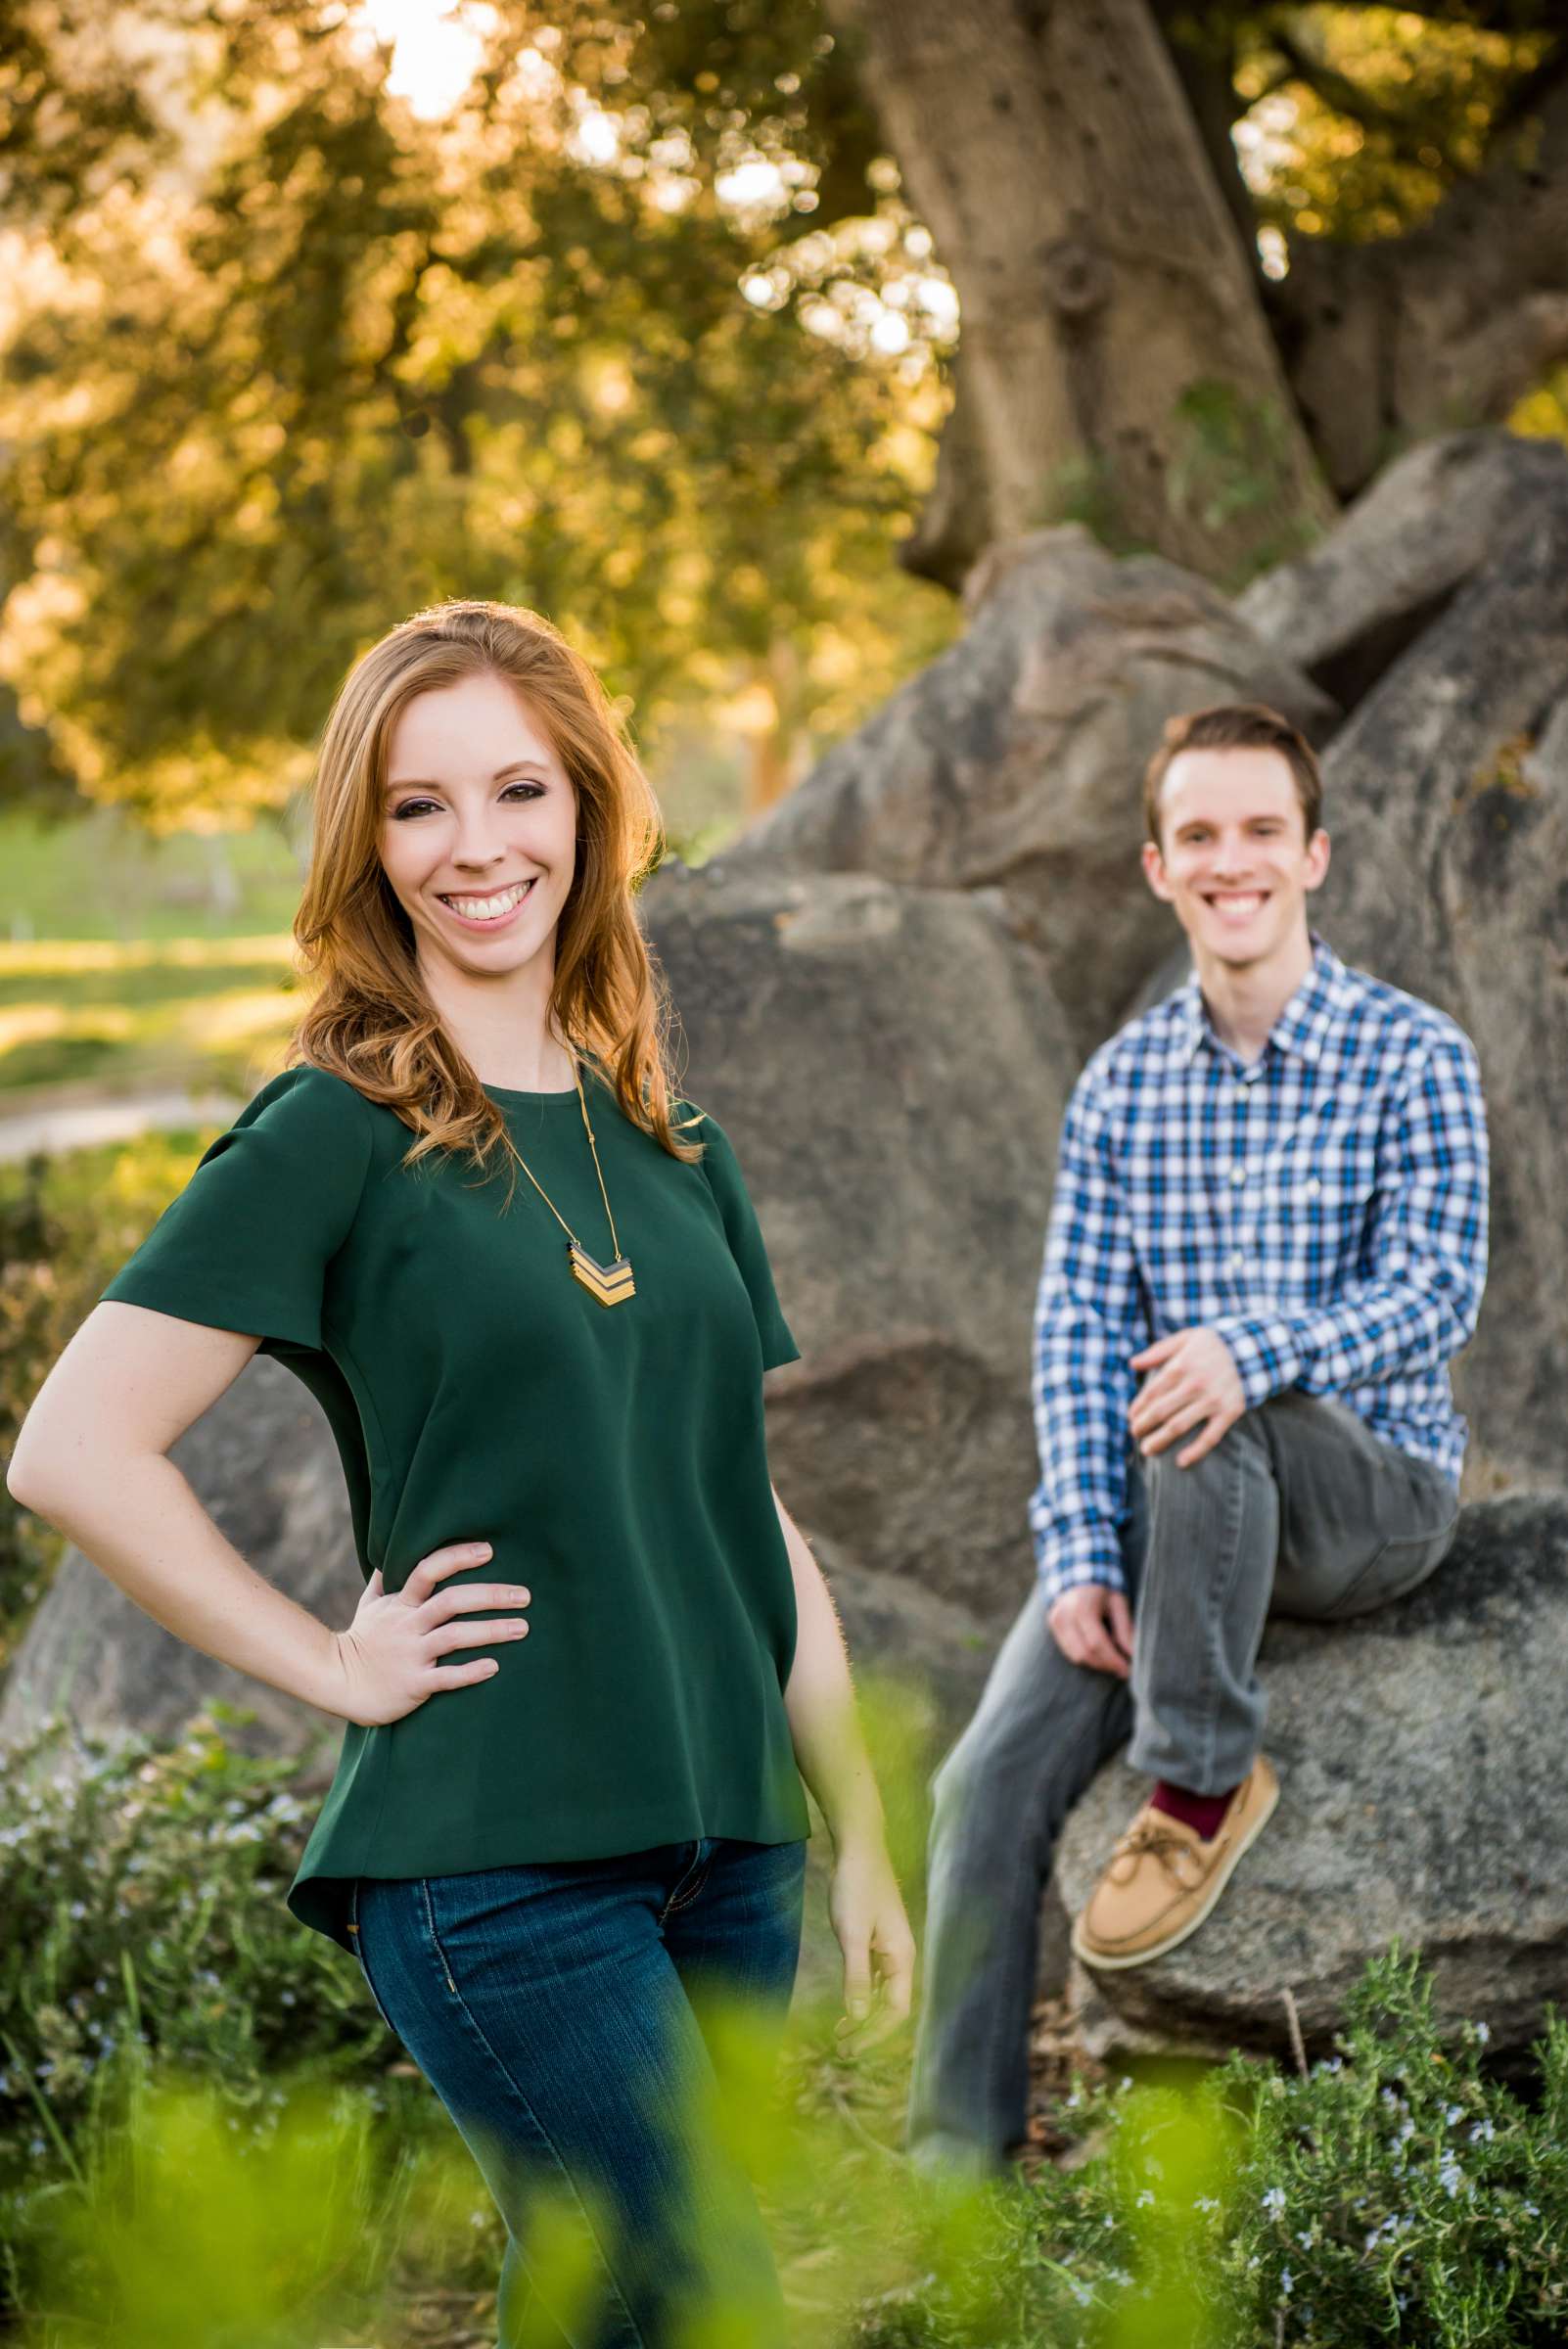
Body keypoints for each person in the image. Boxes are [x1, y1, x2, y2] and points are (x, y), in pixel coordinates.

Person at [7, 598, 916, 2347]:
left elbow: (741, 1499)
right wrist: (338, 1663)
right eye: (420, 806)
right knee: (704, 2293)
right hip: (498, 1860)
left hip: (730, 1841)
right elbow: (75, 1449)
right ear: (368, 842)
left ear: (586, 809)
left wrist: (858, 1818)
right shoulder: (331, 1132)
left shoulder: (670, 1141)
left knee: (605, 2312)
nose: (476, 847)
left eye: (517, 790)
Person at [904, 700, 1489, 2181]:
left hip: (1366, 1492)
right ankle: (951, 2171)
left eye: (1257, 833)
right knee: (981, 1783)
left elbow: (1435, 1289)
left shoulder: (1408, 1056)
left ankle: (1200, 1777)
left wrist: (1258, 1348)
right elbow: (1073, 1337)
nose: (1231, 862)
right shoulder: (1119, 1087)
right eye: (1198, 837)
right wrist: (1078, 1559)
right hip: (1174, 1505)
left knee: (1201, 1391)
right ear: (1157, 868)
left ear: (1312, 855)